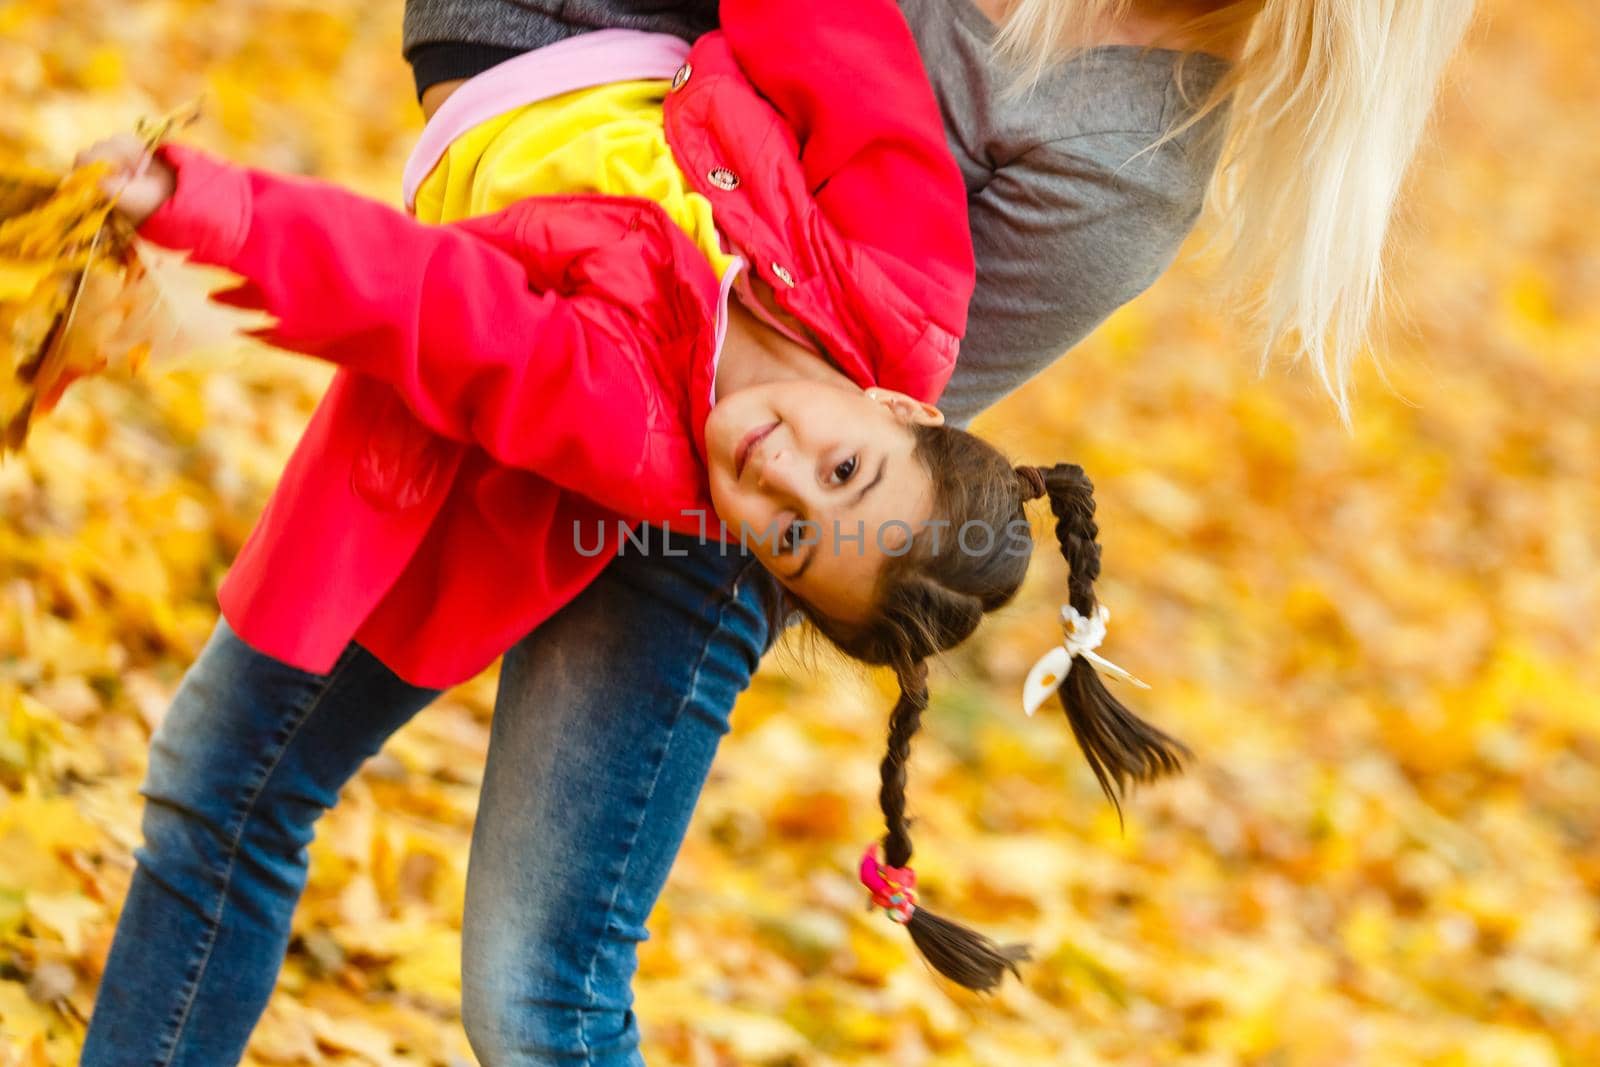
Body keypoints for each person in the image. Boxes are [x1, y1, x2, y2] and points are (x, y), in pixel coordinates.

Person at [81, 0, 1477, 1064]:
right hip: (607, 303)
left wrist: (218, 211)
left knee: (538, 986)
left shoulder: (1124, 161)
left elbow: (873, 438)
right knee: (227, 786)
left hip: (713, 490)